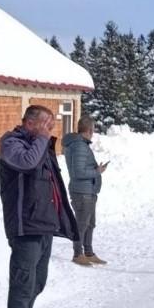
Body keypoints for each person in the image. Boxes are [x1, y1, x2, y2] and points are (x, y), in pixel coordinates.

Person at [0, 104, 78, 308]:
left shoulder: (39, 144)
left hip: (43, 223)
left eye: (51, 124)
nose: (50, 128)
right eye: (46, 124)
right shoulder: (12, 144)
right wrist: (43, 138)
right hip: (25, 224)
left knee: (38, 279)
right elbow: (27, 163)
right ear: (30, 122)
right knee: (23, 280)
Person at [62, 114, 108, 267]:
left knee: (90, 223)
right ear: (89, 130)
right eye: (93, 129)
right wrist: (97, 171)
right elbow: (78, 172)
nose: (93, 132)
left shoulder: (81, 145)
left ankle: (88, 252)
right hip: (82, 192)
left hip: (89, 191)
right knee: (81, 224)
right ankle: (77, 254)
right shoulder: (79, 146)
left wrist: (95, 169)